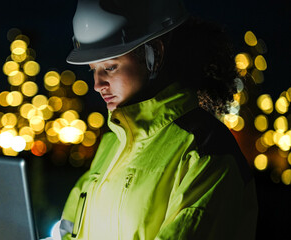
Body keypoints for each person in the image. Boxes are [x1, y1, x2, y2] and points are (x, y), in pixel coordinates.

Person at [54, 0, 258, 239]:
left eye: (109, 67)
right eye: (92, 70)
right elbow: (70, 231)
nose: (97, 85)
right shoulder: (111, 144)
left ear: (154, 55)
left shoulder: (205, 153)